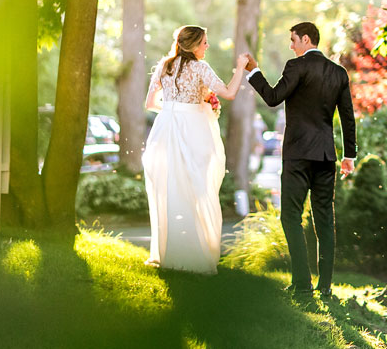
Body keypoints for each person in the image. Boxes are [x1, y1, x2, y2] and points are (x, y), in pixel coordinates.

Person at [244, 22, 357, 296]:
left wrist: (254, 71)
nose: (291, 45)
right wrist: (349, 155)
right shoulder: (339, 73)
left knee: (291, 217)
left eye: (293, 39)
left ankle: (302, 283)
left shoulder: (296, 67)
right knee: (324, 220)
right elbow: (347, 117)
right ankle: (326, 287)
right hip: (326, 156)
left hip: (297, 155)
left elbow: (272, 98)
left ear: (306, 39)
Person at [143, 25, 248, 274]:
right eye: (203, 43)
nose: (207, 47)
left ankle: (169, 254)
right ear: (192, 45)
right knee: (197, 189)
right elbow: (230, 93)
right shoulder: (200, 67)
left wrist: (175, 110)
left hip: (164, 130)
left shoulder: (164, 66)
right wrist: (241, 66)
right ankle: (195, 255)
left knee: (169, 189)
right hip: (194, 134)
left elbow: (150, 104)